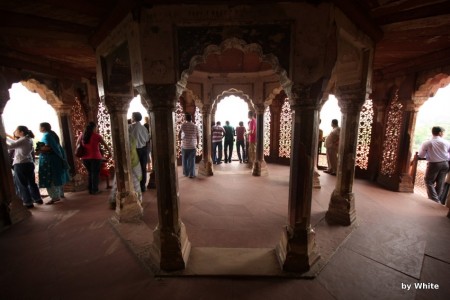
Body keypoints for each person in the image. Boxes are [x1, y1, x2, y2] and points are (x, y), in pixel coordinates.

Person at [6, 126, 44, 208]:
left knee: (22, 184)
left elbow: (10, 146)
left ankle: (28, 202)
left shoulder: (22, 140)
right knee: (31, 182)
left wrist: (2, 140)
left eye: (16, 130)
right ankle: (37, 198)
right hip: (28, 163)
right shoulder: (28, 139)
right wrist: (6, 137)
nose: (15, 132)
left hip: (20, 164)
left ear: (21, 132)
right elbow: (15, 143)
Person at [37, 122, 70, 204]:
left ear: (43, 128)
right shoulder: (52, 134)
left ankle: (55, 197)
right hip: (56, 159)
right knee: (58, 176)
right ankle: (60, 194)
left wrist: (38, 150)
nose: (39, 128)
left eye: (39, 127)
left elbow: (48, 147)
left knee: (50, 178)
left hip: (50, 160)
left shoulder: (46, 135)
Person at [418, 126, 450, 204]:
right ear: (440, 133)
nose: (443, 134)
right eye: (443, 132)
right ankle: (436, 201)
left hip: (434, 164)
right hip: (445, 164)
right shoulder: (447, 142)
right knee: (440, 182)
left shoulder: (427, 142)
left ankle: (435, 200)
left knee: (428, 181)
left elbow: (421, 155)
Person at [78, 122, 111, 194]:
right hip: (95, 157)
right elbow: (105, 145)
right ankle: (95, 190)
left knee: (90, 173)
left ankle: (90, 189)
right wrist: (110, 152)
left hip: (85, 158)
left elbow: (78, 144)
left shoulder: (82, 135)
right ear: (94, 128)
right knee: (95, 174)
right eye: (96, 127)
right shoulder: (97, 136)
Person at [129, 112, 150, 192]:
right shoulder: (143, 128)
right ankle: (142, 186)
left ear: (134, 118)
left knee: (135, 168)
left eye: (132, 116)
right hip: (143, 150)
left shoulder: (130, 127)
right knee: (143, 168)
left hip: (134, 151)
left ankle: (136, 187)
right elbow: (147, 139)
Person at [178, 113, 199, 178]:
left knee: (184, 160)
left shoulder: (183, 125)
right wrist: (197, 144)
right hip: (192, 146)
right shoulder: (195, 126)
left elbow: (179, 134)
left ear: (185, 118)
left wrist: (180, 141)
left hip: (185, 145)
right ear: (191, 118)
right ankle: (191, 174)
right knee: (192, 161)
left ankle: (186, 173)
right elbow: (197, 136)